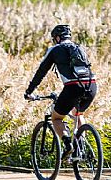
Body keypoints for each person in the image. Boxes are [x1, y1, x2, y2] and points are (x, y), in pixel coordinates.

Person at [24, 24, 97, 158]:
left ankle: (68, 144)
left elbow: (41, 72)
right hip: (91, 86)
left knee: (56, 118)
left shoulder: (55, 50)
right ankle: (81, 146)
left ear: (57, 38)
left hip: (73, 87)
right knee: (77, 113)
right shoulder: (79, 48)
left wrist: (29, 91)